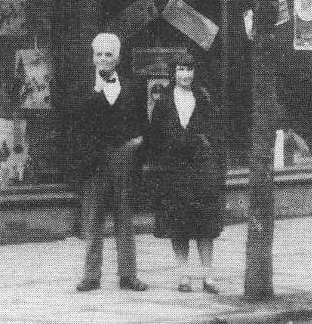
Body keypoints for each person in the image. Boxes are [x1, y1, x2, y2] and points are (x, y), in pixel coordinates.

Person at [69, 32, 149, 292]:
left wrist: (138, 144)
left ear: (118, 58)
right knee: (93, 219)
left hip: (123, 158)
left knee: (124, 218)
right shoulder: (83, 87)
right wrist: (96, 92)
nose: (103, 59)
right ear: (92, 58)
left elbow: (140, 122)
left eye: (109, 54)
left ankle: (128, 275)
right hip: (95, 160)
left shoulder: (132, 87)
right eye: (99, 54)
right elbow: (76, 123)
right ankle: (91, 275)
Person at [146, 53, 226, 294]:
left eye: (190, 69)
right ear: (174, 72)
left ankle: (208, 276)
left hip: (201, 169)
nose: (186, 75)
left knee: (205, 225)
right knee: (178, 224)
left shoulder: (203, 98)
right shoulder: (164, 102)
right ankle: (183, 275)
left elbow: (215, 132)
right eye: (181, 69)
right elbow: (155, 136)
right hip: (174, 171)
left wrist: (211, 158)